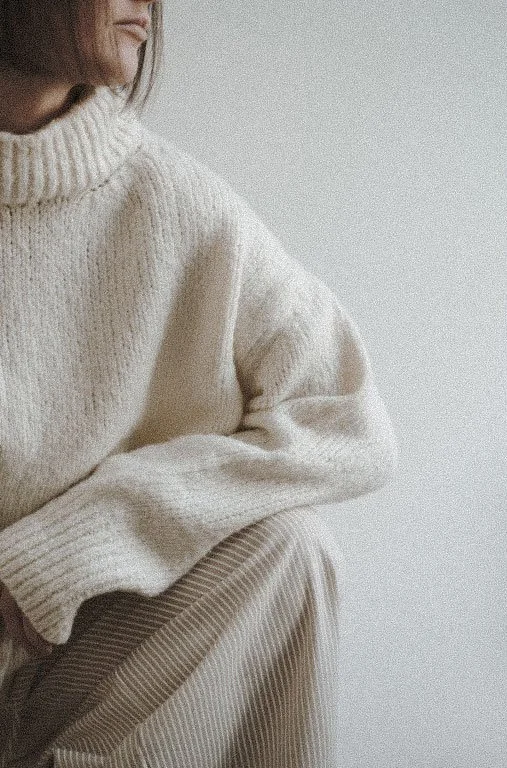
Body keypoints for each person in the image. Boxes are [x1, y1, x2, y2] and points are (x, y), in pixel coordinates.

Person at [0, 1, 397, 765]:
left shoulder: (179, 208)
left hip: (71, 675)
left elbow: (348, 420)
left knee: (289, 549)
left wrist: (95, 532)